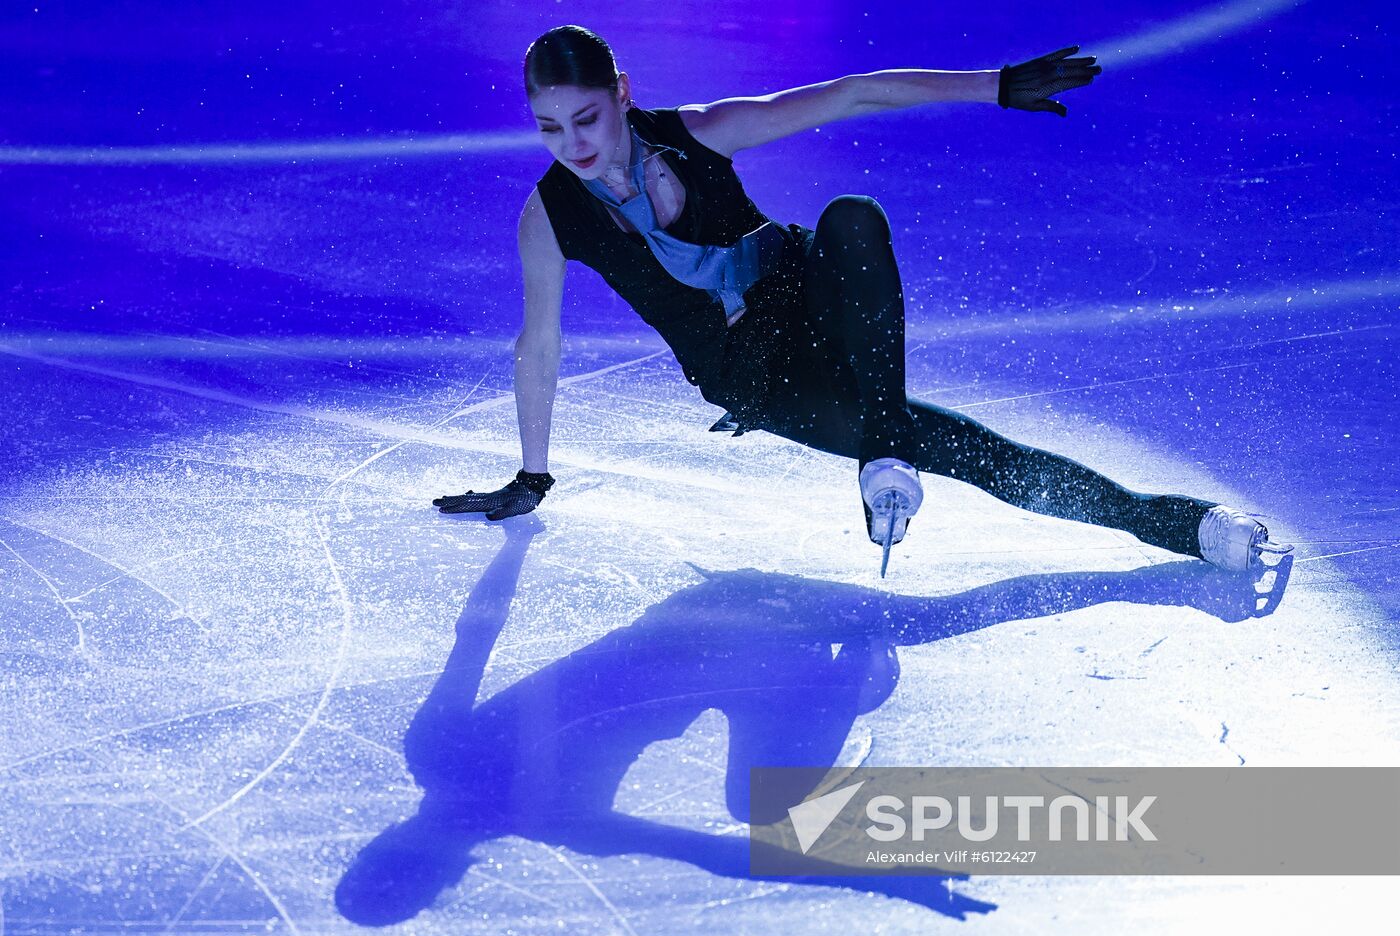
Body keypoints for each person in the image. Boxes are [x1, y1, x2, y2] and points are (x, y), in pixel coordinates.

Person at [434, 24, 1291, 576]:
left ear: (619, 92)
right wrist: (533, 475)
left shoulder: (696, 131)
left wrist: (994, 84)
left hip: (809, 292)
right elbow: (535, 349)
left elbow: (850, 93)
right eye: (551, 127)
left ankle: (883, 455)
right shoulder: (548, 219)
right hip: (755, 377)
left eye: (585, 116)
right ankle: (1179, 525)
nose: (573, 144)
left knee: (851, 218)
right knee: (964, 450)